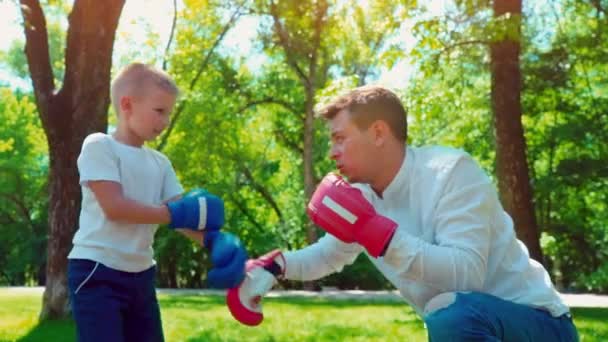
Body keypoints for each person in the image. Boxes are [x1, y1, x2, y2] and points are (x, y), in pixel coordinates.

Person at [226, 85, 579, 341]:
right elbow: (328, 255)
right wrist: (275, 267)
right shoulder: (364, 195)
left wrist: (376, 232)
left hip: (541, 325)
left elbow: (467, 275)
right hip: (467, 326)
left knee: (450, 313)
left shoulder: (451, 171)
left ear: (379, 132)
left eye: (339, 138)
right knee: (448, 315)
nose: (332, 152)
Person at [67, 63, 247, 342]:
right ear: (127, 105)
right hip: (97, 271)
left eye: (169, 113)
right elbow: (115, 207)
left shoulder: (160, 163)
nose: (165, 121)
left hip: (140, 275)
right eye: (159, 111)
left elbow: (180, 216)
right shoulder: (99, 146)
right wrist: (174, 213)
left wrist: (215, 241)